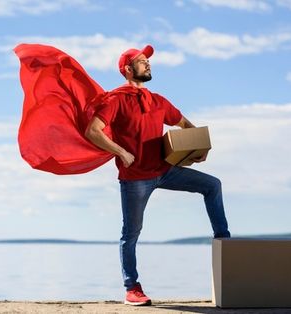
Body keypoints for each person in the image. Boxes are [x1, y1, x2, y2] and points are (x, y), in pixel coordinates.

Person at [85, 45, 231, 306]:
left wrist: (197, 150)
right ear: (128, 69)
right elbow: (93, 131)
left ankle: (225, 244)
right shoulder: (115, 100)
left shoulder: (159, 101)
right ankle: (132, 288)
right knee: (131, 233)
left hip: (165, 170)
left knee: (213, 185)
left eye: (148, 61)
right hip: (135, 178)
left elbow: (186, 125)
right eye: (142, 61)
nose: (148, 64)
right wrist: (121, 152)